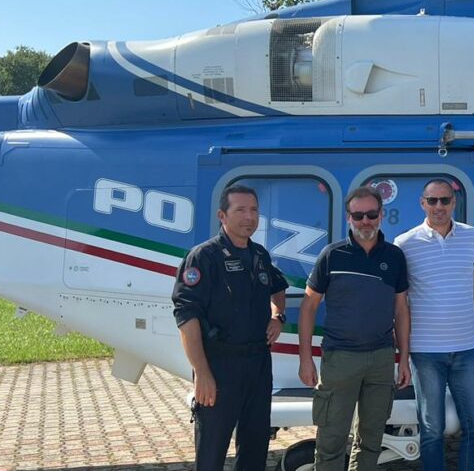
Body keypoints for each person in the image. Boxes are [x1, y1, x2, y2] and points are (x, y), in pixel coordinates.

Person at [172, 184, 289, 471]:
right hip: (220, 366)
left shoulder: (259, 255)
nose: (249, 217)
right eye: (240, 210)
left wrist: (278, 316)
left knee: (255, 447)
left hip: (258, 365)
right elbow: (186, 317)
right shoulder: (203, 258)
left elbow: (278, 288)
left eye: (254, 210)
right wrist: (202, 373)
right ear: (222, 215)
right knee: (212, 452)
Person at [298, 186, 412, 471]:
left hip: (381, 359)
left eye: (371, 214)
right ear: (348, 217)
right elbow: (308, 307)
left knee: (372, 438)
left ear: (381, 215)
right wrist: (305, 358)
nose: (365, 221)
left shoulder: (395, 257)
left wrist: (404, 358)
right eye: (358, 215)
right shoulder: (332, 255)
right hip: (340, 360)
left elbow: (401, 310)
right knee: (331, 438)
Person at [394, 179, 474, 471]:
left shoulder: (471, 237)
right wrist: (404, 353)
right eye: (432, 201)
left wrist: (471, 313)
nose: (439, 206)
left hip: (465, 349)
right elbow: (399, 300)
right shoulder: (405, 243)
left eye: (445, 200)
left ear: (454, 203)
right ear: (422, 203)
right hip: (425, 353)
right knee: (432, 431)